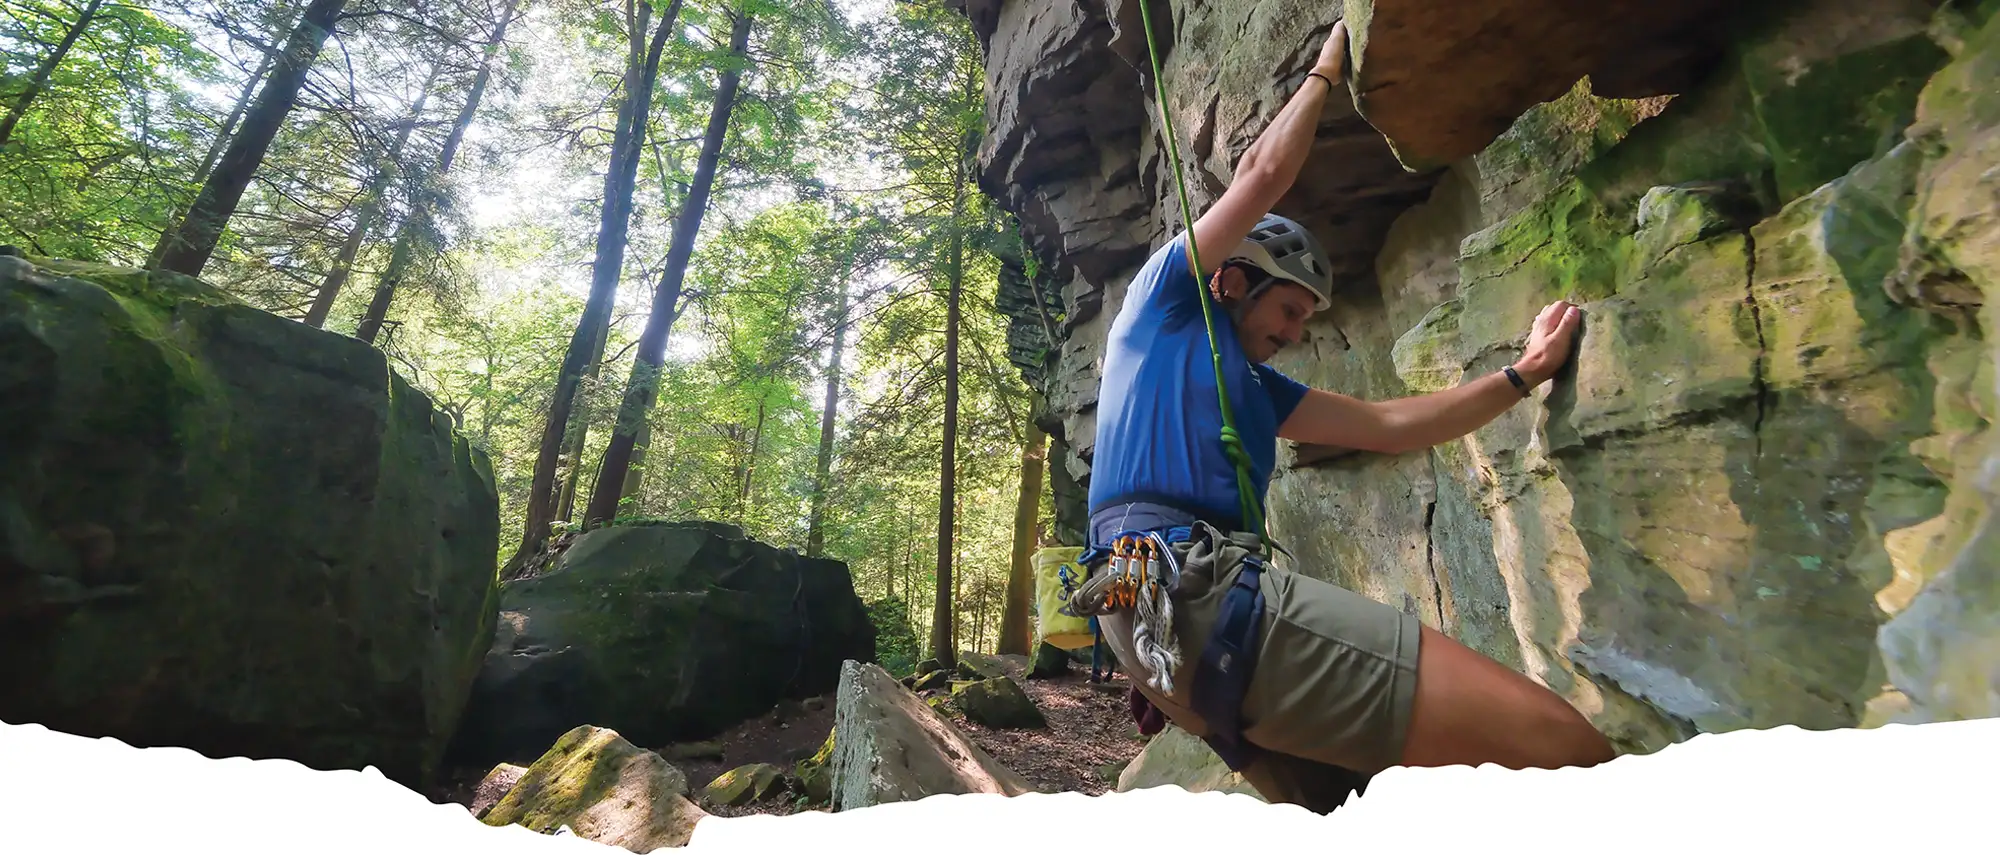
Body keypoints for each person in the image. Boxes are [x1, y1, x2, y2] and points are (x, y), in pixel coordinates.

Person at [1079, 19, 1616, 813]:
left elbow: (1391, 425)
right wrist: (1325, 76)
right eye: (1289, 309)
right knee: (1565, 743)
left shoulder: (1256, 393)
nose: (1296, 334)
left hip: (1167, 624)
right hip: (1192, 592)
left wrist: (1520, 375)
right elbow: (1260, 175)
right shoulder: (1162, 309)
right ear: (1234, 282)